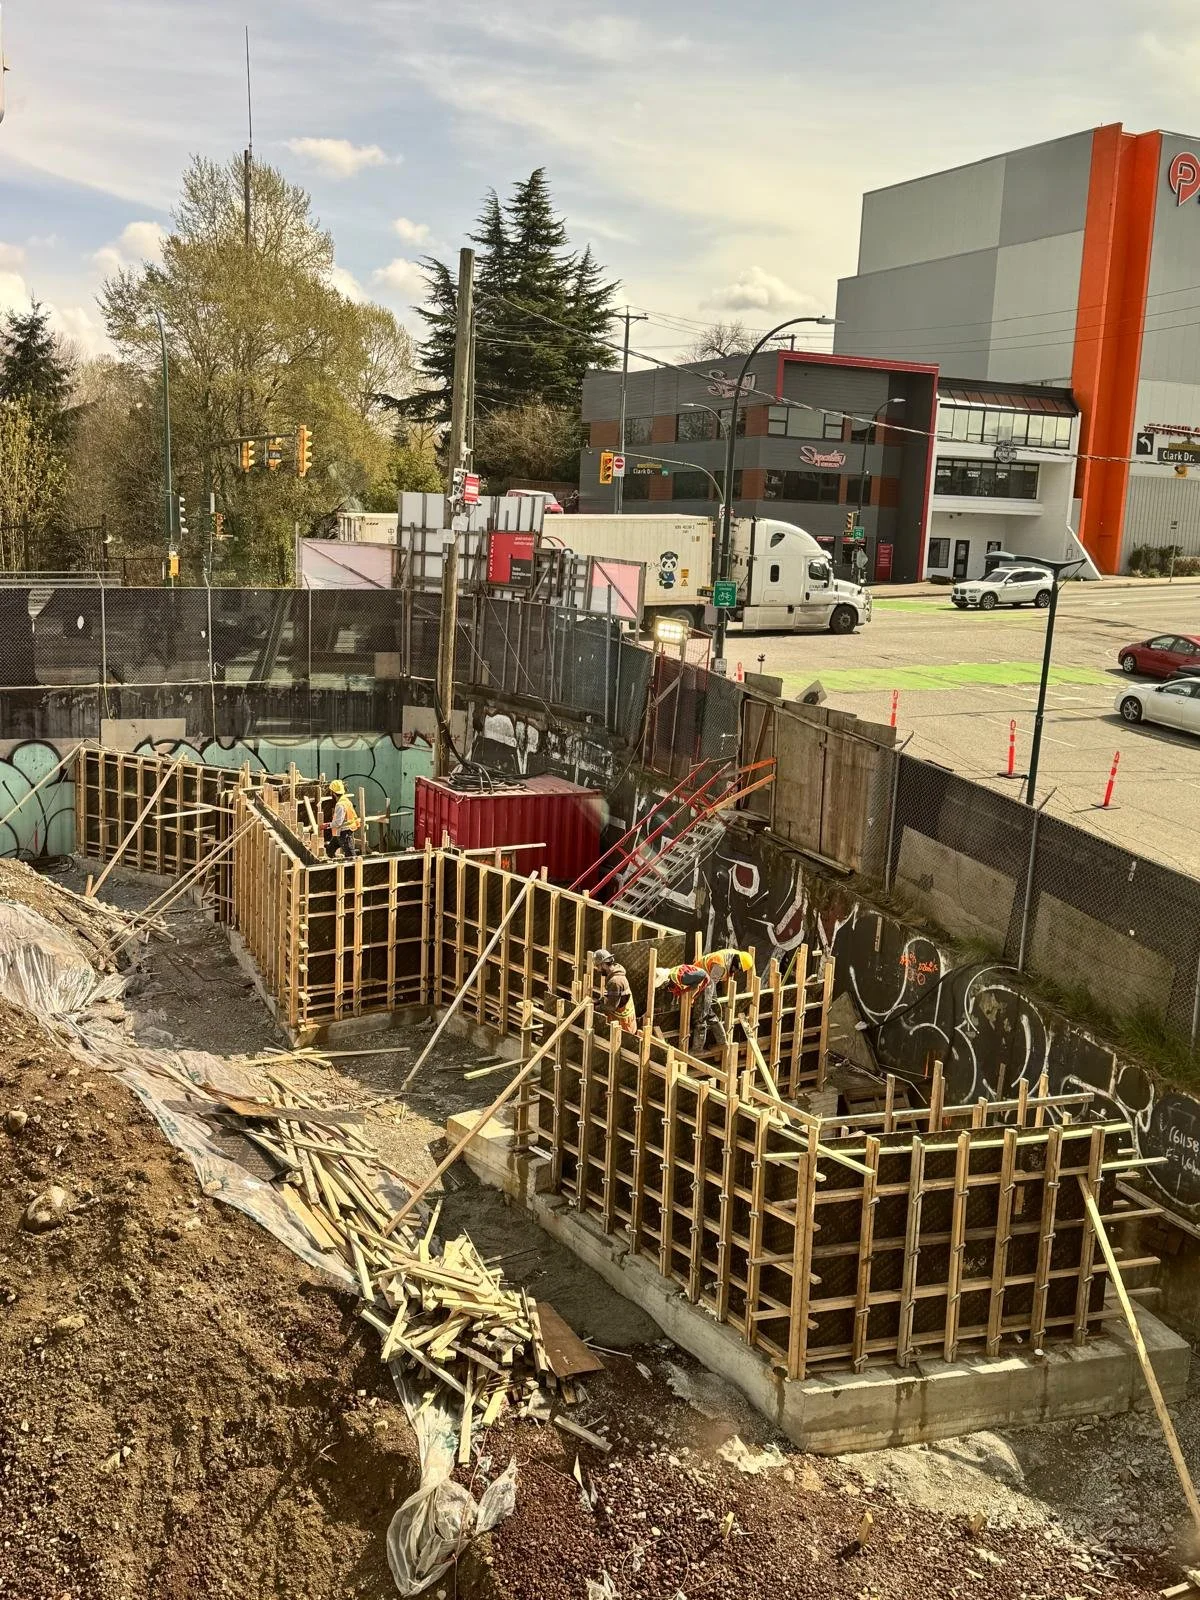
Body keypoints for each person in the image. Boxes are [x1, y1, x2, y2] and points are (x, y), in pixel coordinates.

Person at [654, 961, 713, 1052]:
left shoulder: (682, 978)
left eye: (663, 985)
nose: (662, 988)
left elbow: (702, 975)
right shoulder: (671, 980)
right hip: (695, 984)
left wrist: (692, 997)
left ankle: (697, 1049)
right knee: (702, 1013)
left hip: (705, 985)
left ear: (666, 981)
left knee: (700, 1018)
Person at [593, 949, 637, 1035]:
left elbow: (611, 1006)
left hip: (624, 1028)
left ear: (604, 964)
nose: (598, 970)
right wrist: (599, 1001)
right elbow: (612, 997)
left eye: (598, 966)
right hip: (624, 1024)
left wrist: (595, 1008)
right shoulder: (615, 976)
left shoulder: (615, 981)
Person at [326, 779, 360, 859]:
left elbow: (338, 822)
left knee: (351, 855)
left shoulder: (340, 805)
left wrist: (327, 825)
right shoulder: (345, 800)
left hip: (344, 833)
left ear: (333, 793)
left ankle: (356, 869)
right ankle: (335, 866)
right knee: (330, 849)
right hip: (340, 831)